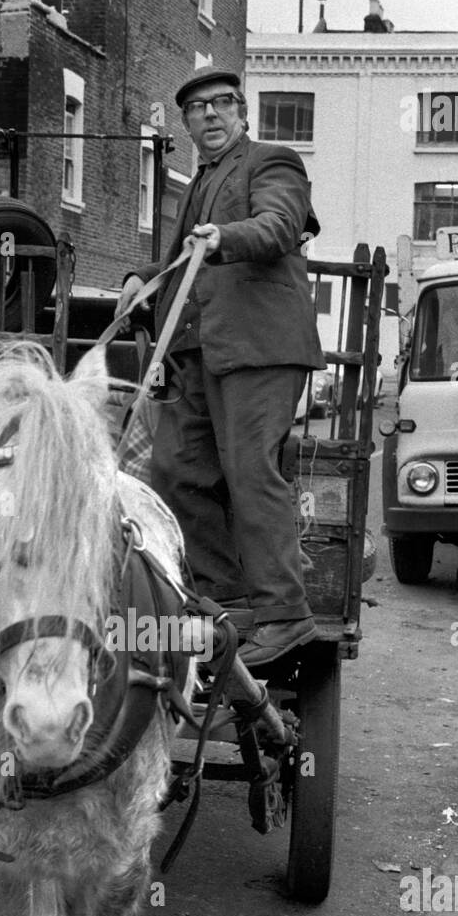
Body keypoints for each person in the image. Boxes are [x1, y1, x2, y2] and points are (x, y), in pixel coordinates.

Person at [115, 64, 326, 666]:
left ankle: (286, 613)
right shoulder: (198, 183)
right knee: (175, 469)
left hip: (259, 348)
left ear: (242, 113)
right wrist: (141, 278)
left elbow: (278, 225)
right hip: (198, 351)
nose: (210, 114)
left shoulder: (272, 162)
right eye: (197, 108)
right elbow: (182, 260)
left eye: (222, 104)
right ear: (185, 124)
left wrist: (224, 237)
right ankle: (224, 595)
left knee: (250, 470)